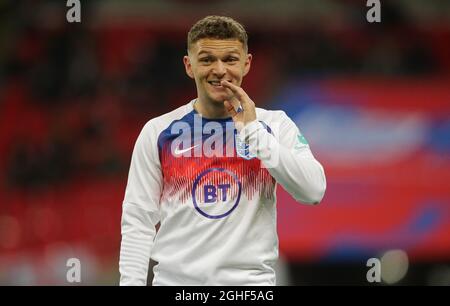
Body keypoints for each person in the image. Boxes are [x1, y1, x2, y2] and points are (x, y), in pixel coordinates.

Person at [119, 15, 326, 286]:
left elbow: (313, 190)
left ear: (247, 63)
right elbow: (138, 222)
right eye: (206, 60)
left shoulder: (275, 125)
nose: (219, 70)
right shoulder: (158, 131)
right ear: (189, 65)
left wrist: (254, 132)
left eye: (230, 59)